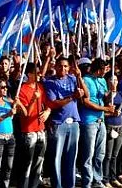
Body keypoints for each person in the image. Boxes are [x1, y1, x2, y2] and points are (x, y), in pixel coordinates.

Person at [44, 56, 86, 188]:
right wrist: (73, 97)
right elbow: (54, 103)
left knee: (71, 158)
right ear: (55, 67)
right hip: (59, 124)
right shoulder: (50, 82)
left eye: (66, 66)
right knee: (57, 158)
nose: (63, 68)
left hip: (74, 123)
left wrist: (79, 77)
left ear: (69, 68)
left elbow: (86, 95)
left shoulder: (73, 79)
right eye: (60, 66)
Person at [79, 58, 115, 188]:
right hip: (89, 121)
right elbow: (86, 102)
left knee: (100, 153)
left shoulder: (102, 80)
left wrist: (112, 90)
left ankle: (97, 180)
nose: (105, 71)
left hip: (101, 121)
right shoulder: (85, 80)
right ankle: (87, 182)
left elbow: (105, 97)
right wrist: (106, 109)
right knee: (88, 154)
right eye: (104, 69)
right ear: (98, 69)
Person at [17, 63, 51, 188]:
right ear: (29, 74)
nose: (39, 74)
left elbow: (48, 103)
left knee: (39, 163)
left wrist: (47, 111)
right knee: (27, 164)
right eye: (36, 72)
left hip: (41, 130)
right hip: (29, 131)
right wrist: (33, 99)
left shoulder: (40, 87)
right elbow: (26, 113)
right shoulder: (22, 89)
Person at [0, 77, 24, 188]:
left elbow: (24, 113)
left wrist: (19, 103)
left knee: (8, 166)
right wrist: (7, 115)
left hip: (10, 137)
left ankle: (5, 185)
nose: (5, 89)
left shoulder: (9, 101)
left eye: (6, 87)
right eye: (2, 87)